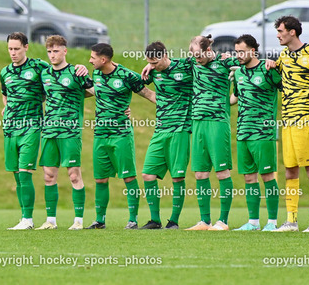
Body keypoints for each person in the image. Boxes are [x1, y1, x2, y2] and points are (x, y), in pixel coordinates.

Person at [86, 43, 156, 229]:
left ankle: (132, 220)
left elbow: (148, 93)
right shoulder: (96, 73)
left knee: (129, 177)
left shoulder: (126, 75)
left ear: (103, 59)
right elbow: (94, 91)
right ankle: (99, 220)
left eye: (93, 57)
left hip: (121, 135)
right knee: (100, 179)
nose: (90, 60)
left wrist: (171, 106)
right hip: (100, 134)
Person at [266, 16, 309, 232]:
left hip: (307, 119)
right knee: (290, 170)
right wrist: (271, 65)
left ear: (292, 32)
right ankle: (291, 221)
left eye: (280, 31)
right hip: (288, 120)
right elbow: (278, 75)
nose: (278, 35)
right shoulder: (283, 55)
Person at [36, 35, 94, 230]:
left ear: (65, 51)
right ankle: (50, 221)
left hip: (70, 131)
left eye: (56, 51)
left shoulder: (77, 72)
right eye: (49, 52)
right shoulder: (44, 74)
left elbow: (98, 92)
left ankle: (78, 220)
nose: (52, 55)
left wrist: (122, 108)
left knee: (74, 175)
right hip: (49, 131)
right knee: (48, 176)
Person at [185, 35, 239, 231]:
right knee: (200, 173)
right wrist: (150, 66)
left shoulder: (225, 63)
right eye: (194, 56)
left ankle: (223, 221)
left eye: (199, 55)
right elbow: (166, 65)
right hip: (198, 122)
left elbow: (249, 61)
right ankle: (204, 221)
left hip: (218, 122)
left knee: (222, 172)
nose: (197, 59)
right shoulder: (192, 63)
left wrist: (268, 62)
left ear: (209, 50)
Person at [230, 34, 282, 231]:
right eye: (236, 52)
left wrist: (276, 64)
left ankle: (272, 222)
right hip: (243, 132)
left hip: (263, 133)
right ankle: (253, 222)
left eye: (242, 52)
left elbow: (288, 90)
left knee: (267, 176)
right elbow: (234, 98)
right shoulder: (239, 73)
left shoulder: (268, 70)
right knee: (249, 178)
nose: (238, 55)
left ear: (253, 51)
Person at [139, 41, 194, 230]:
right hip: (160, 129)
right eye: (149, 62)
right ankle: (155, 220)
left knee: (177, 177)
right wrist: (150, 66)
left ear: (164, 56)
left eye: (155, 62)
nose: (152, 66)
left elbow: (205, 60)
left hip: (180, 129)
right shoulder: (152, 72)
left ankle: (174, 221)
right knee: (147, 174)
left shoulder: (185, 65)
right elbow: (136, 85)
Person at [1, 32, 48, 230]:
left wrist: (79, 69)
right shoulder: (5, 72)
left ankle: (28, 219)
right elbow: (5, 94)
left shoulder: (39, 66)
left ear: (26, 47)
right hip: (10, 128)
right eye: (10, 49)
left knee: (25, 172)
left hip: (31, 126)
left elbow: (58, 79)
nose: (13, 53)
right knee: (16, 174)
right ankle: (23, 218)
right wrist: (6, 108)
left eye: (17, 49)